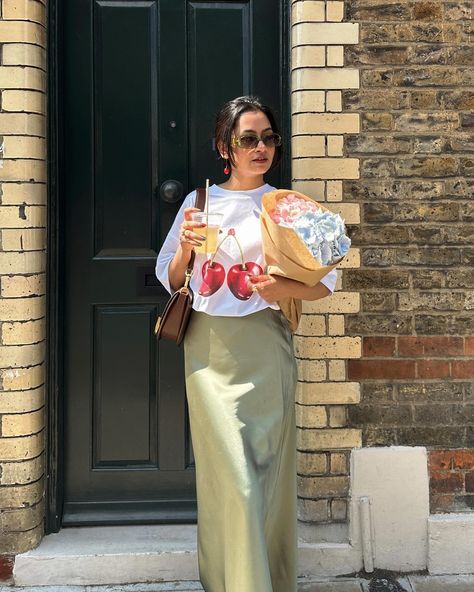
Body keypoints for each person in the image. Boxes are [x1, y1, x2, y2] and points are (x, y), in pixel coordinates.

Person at [156, 96, 337, 592]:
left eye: (268, 138)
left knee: (265, 479)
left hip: (266, 348)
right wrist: (188, 251)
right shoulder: (199, 204)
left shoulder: (288, 205)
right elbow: (173, 279)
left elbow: (326, 283)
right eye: (248, 139)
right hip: (208, 354)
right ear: (225, 147)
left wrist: (283, 290)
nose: (260, 148)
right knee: (231, 480)